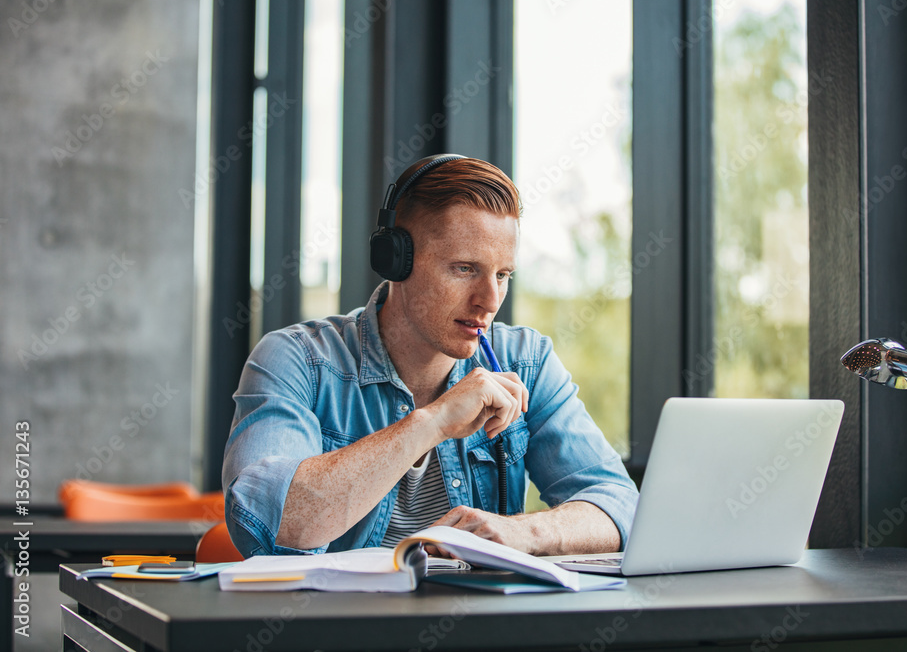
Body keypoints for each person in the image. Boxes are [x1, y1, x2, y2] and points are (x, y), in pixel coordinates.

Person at [222, 154, 638, 557]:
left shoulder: (525, 361)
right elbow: (268, 522)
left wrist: (525, 531)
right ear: (396, 262)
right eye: (464, 269)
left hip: (479, 624)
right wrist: (433, 422)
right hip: (335, 624)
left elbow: (620, 506)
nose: (489, 301)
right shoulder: (297, 360)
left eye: (502, 275)